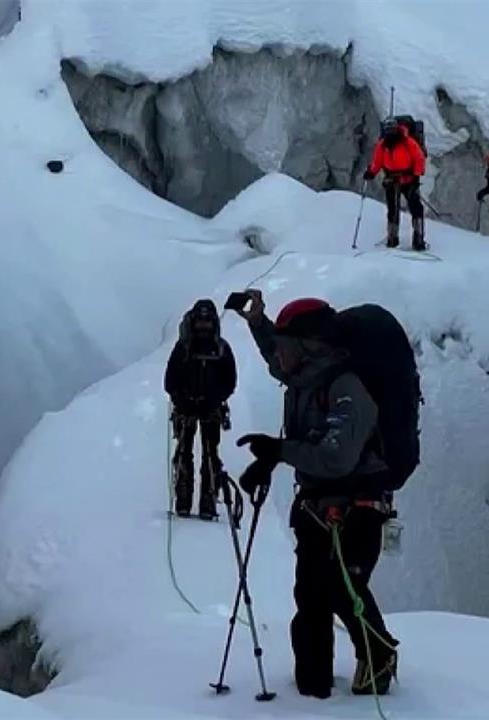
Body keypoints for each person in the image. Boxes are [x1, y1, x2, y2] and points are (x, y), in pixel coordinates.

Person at [235, 290, 399, 699]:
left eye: (287, 349)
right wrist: (258, 322)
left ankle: (378, 658)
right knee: (310, 594)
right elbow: (277, 352)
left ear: (310, 348)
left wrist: (279, 451)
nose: (278, 359)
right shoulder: (305, 378)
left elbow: (337, 457)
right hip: (316, 507)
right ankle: (311, 688)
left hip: (356, 508)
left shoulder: (346, 389)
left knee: (342, 589)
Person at [164, 298, 237, 519]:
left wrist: (213, 399)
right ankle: (186, 499)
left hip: (209, 408)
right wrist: (182, 400)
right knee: (188, 452)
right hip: (190, 408)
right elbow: (170, 381)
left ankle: (206, 499)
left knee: (208, 453)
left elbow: (229, 381)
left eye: (207, 321)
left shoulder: (218, 348)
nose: (203, 326)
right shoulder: (191, 347)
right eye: (201, 321)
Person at [363, 118, 427, 251]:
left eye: (392, 129)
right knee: (393, 209)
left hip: (408, 180)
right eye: (388, 130)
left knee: (415, 208)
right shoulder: (383, 145)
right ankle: (393, 238)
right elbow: (377, 161)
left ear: (397, 129)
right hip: (392, 180)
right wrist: (371, 172)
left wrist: (416, 176)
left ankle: (418, 238)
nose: (390, 132)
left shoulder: (407, 141)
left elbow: (419, 158)